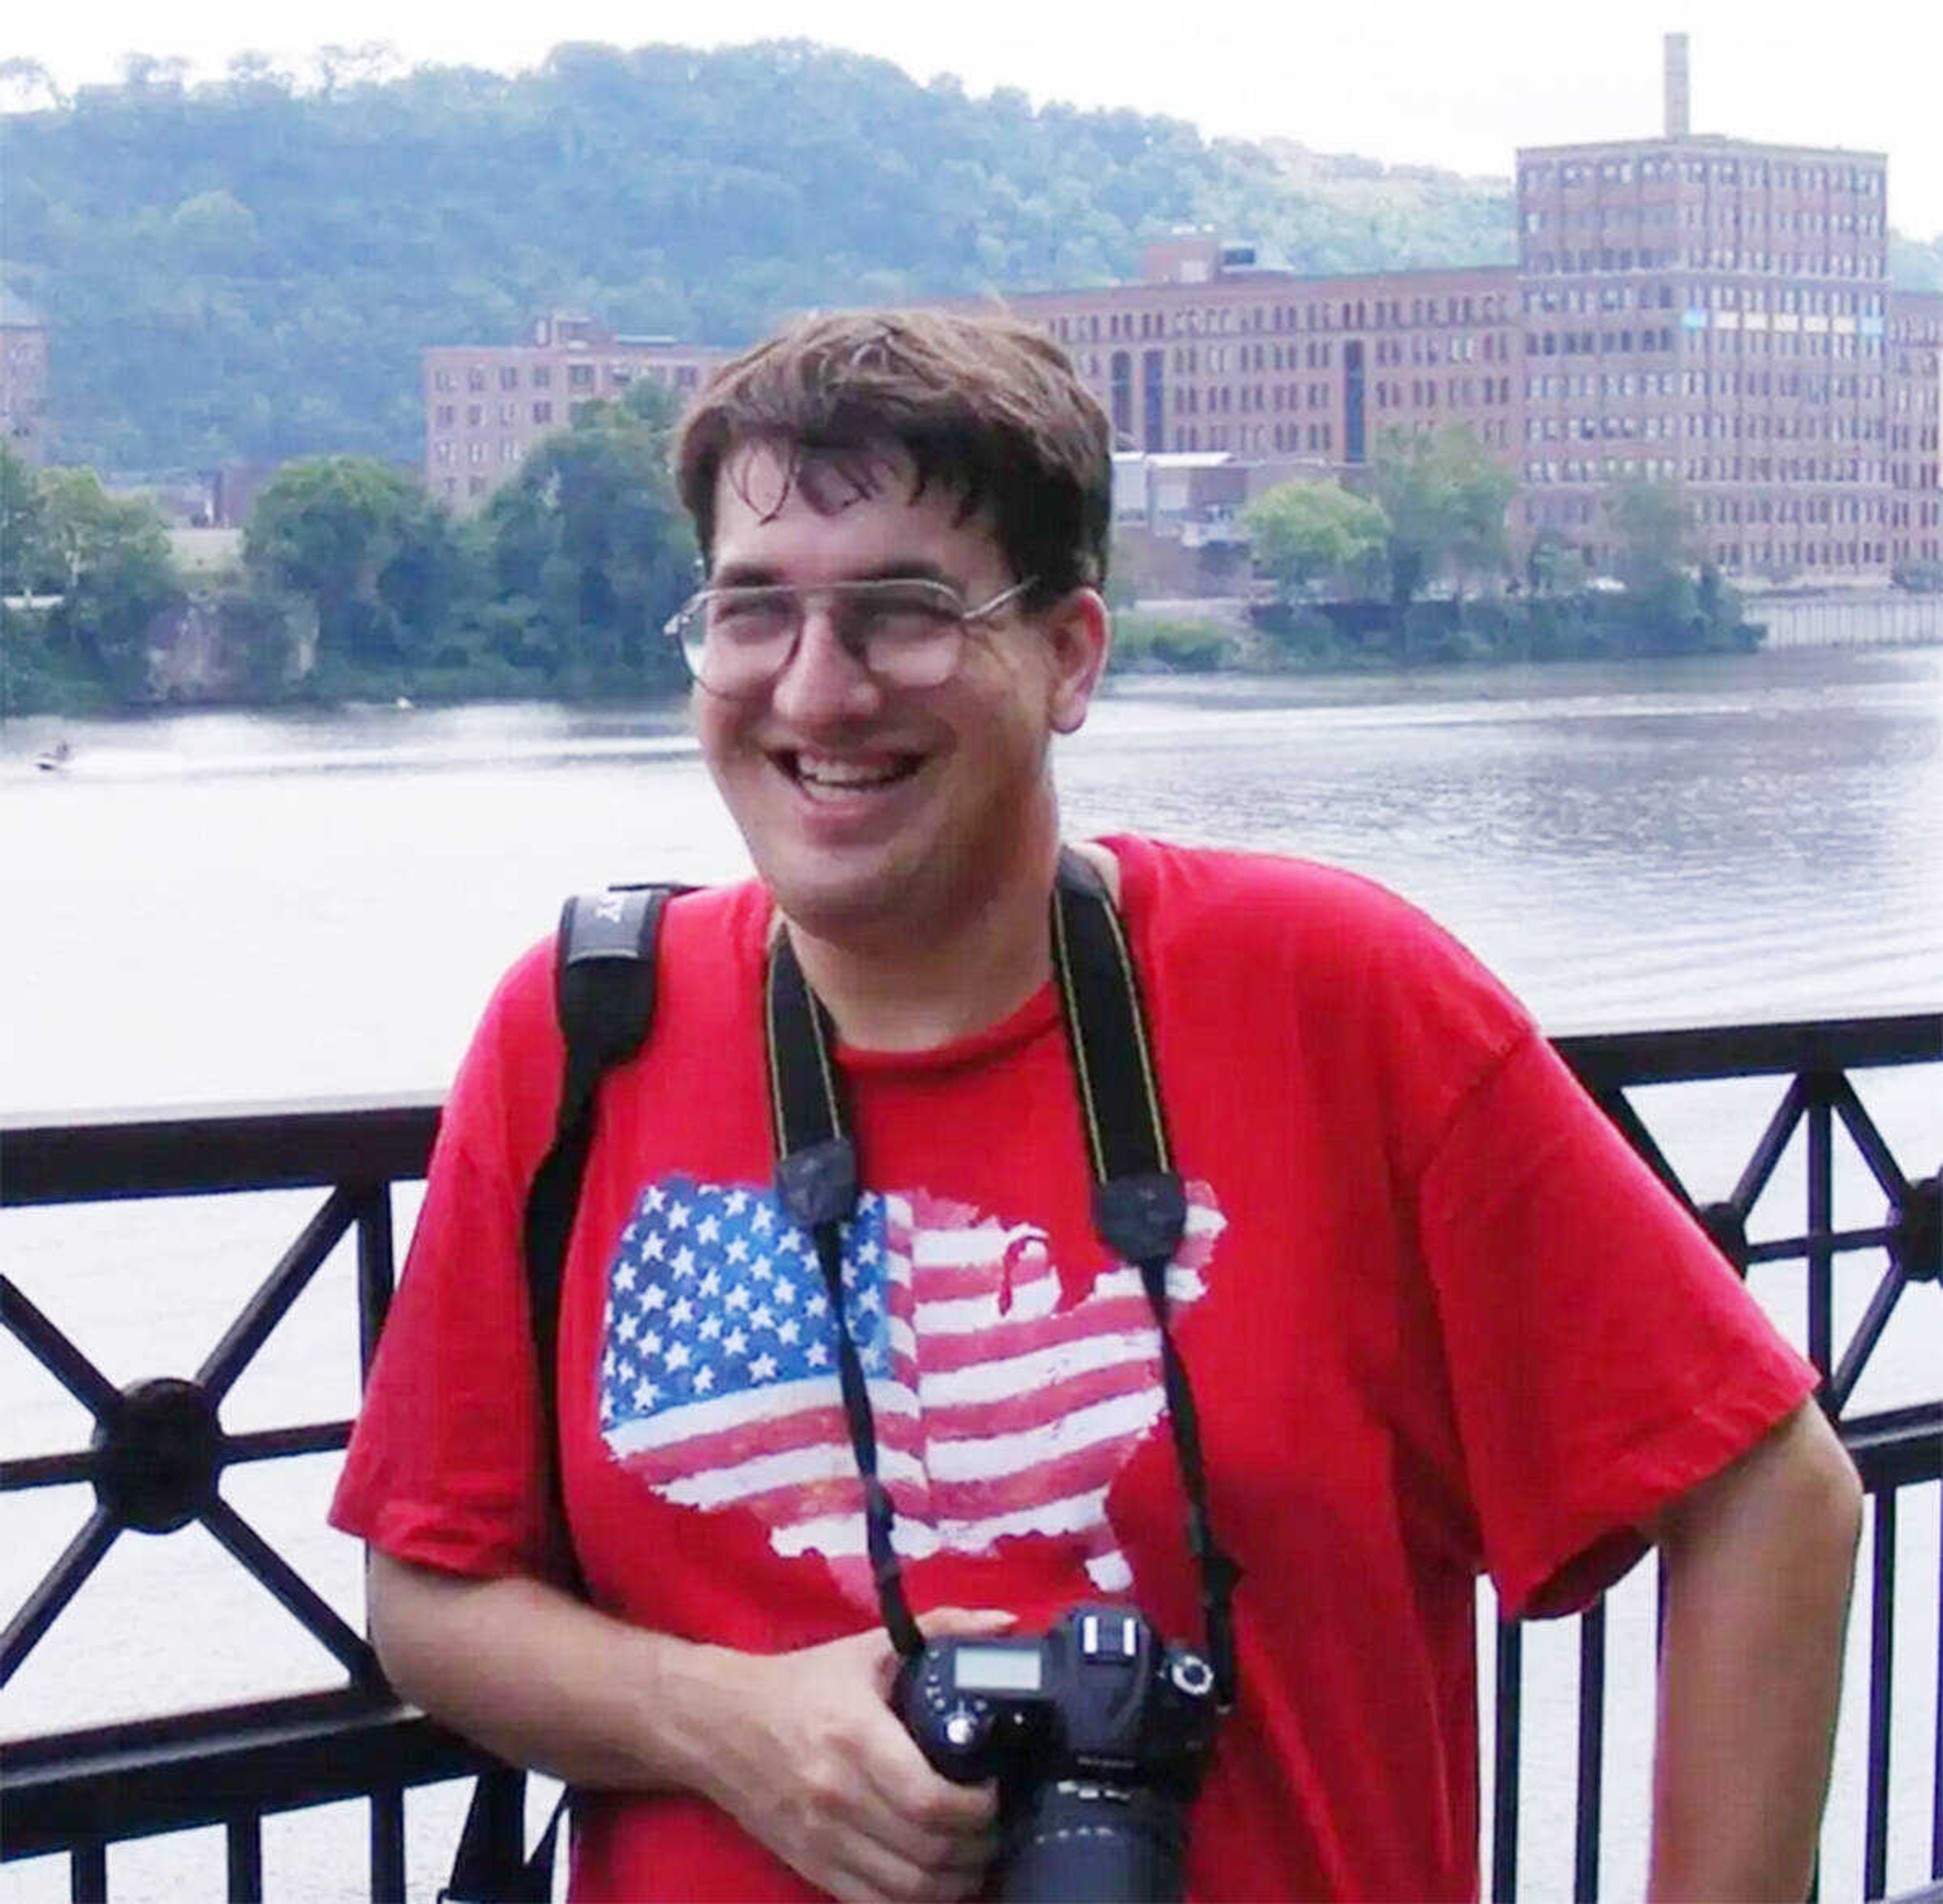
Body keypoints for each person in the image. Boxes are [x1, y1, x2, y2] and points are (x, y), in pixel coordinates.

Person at [331, 310, 1861, 1902]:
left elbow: (1773, 1498)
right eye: (751, 613)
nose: (819, 688)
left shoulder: (1329, 995)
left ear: (1070, 655)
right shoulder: (586, 1033)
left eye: (905, 613)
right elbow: (431, 1596)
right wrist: (732, 1726)